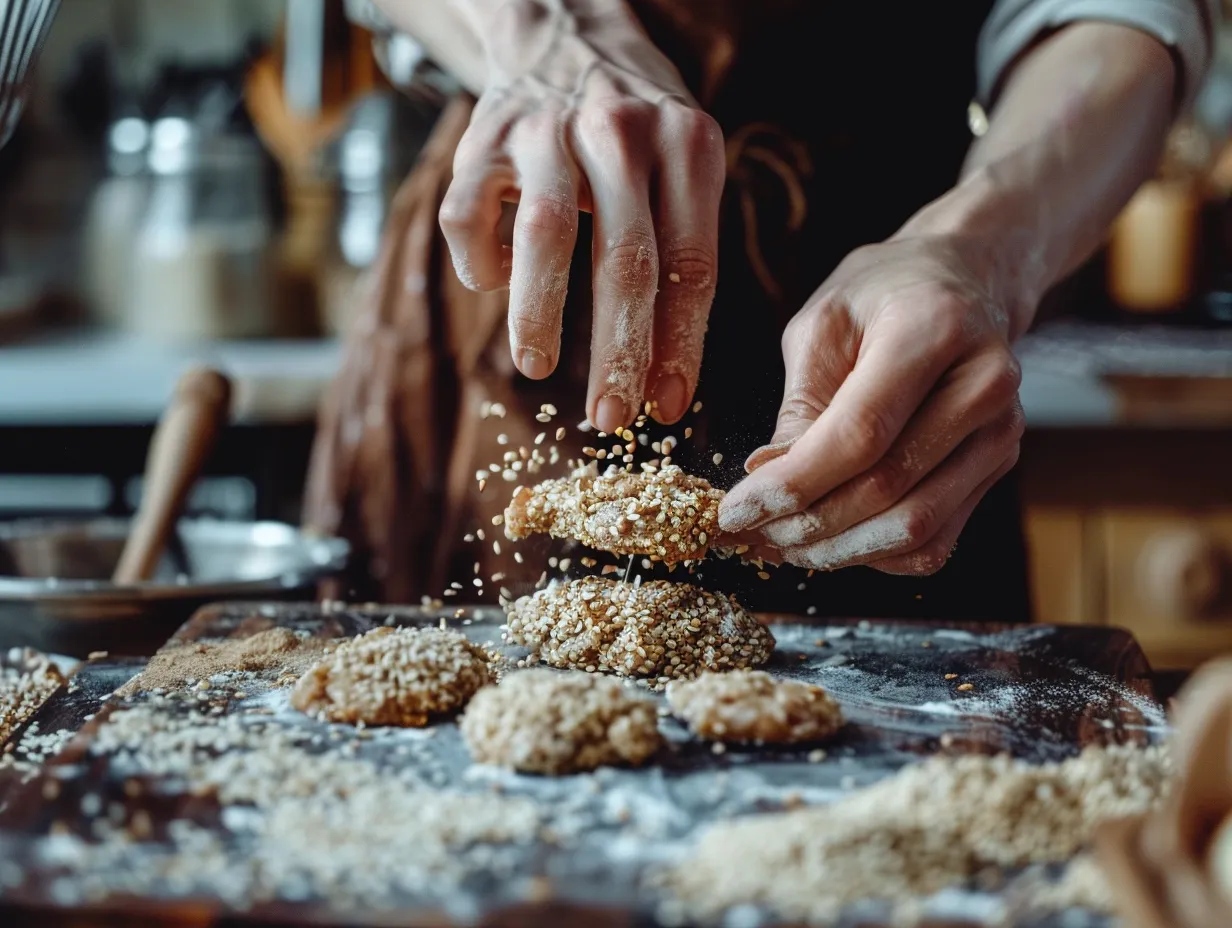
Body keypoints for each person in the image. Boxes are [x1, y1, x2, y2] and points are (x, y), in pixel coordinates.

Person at [307, 0, 1216, 618]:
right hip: (534, 228)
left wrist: (976, 250)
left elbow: (1121, 16)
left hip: (890, 309)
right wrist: (544, 34)